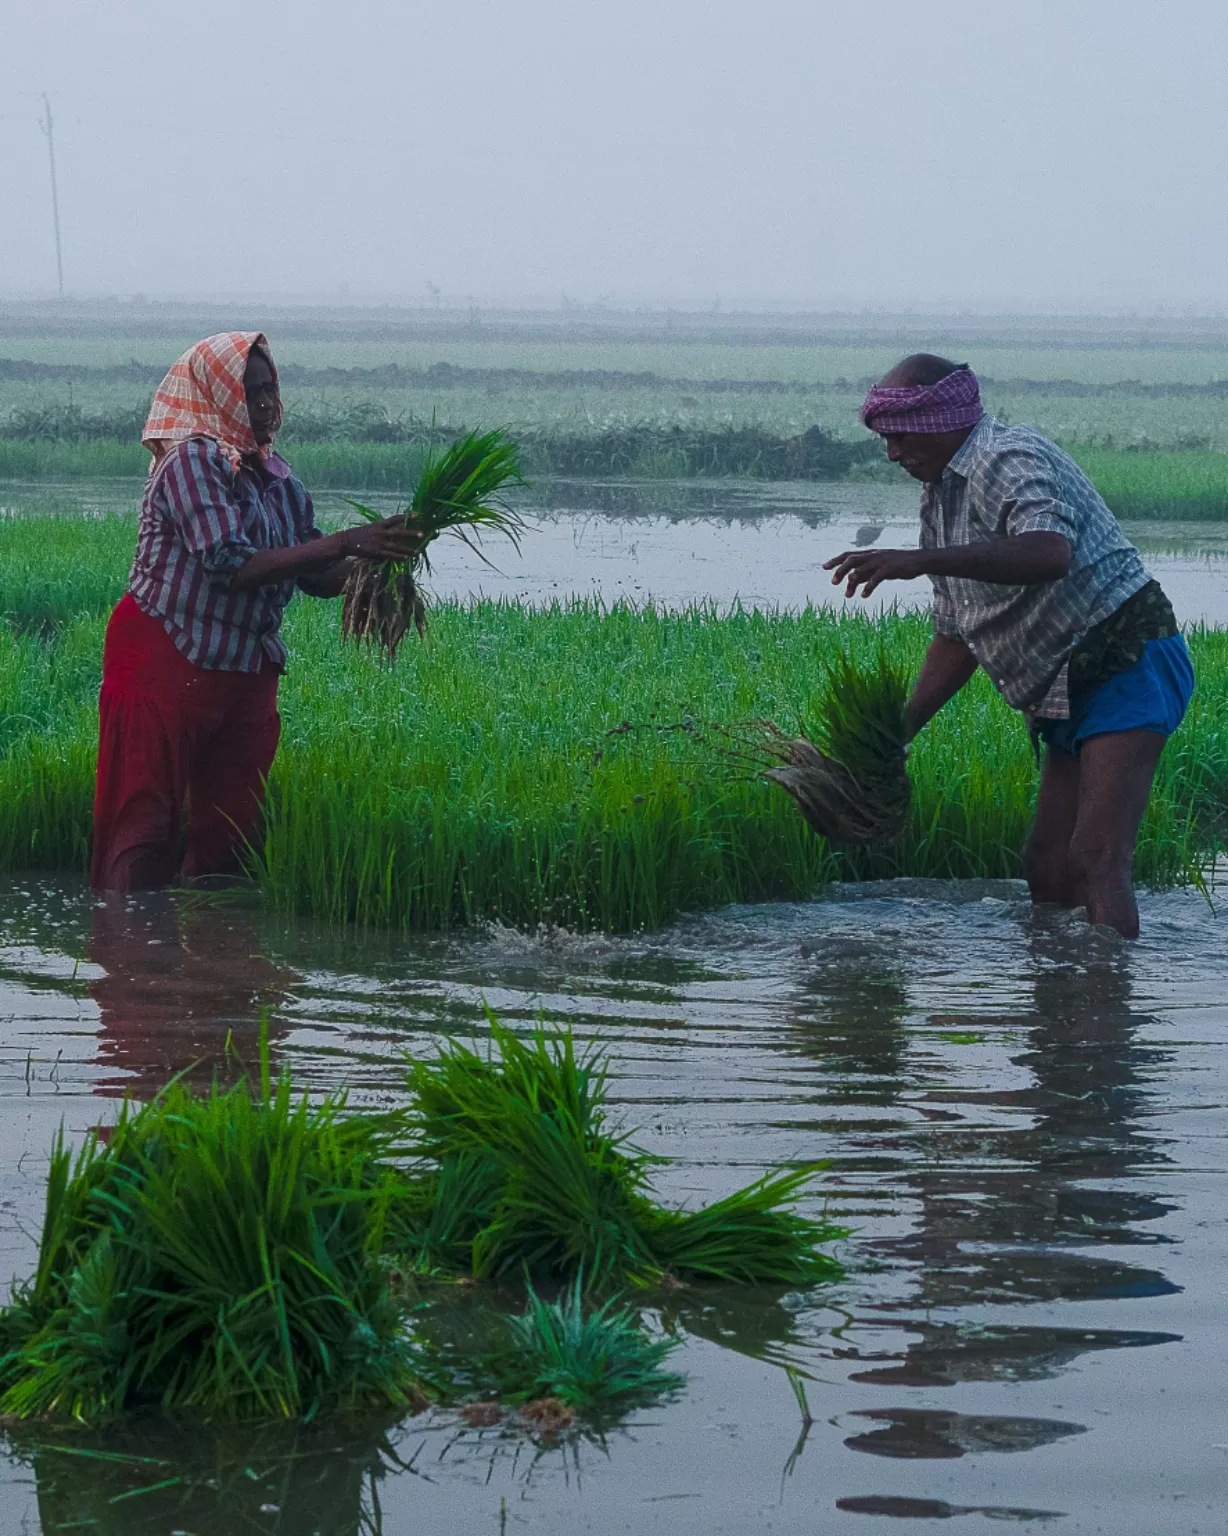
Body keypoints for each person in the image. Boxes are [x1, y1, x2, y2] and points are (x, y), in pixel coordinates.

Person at [824, 354, 1193, 939]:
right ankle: (1057, 1001)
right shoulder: (941, 497)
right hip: (1066, 682)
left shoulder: (1009, 457)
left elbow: (1049, 552)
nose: (893, 453)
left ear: (940, 420)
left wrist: (917, 563)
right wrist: (894, 735)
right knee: (1046, 865)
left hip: (1126, 656)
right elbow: (957, 634)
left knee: (1098, 858)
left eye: (899, 436)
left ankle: (1109, 1007)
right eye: (885, 440)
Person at [91, 331, 420, 891]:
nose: (267, 403)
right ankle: (130, 960)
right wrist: (344, 541)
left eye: (271, 389)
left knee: (230, 837)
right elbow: (230, 562)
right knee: (145, 828)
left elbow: (313, 573)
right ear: (220, 395)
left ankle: (219, 965)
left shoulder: (277, 475)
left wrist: (379, 561)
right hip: (165, 663)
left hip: (242, 672)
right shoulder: (191, 462)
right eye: (252, 392)